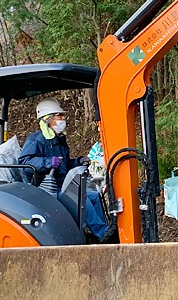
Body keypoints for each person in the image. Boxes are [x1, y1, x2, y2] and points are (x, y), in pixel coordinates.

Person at [18, 98, 112, 242]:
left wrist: (78, 161)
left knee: (93, 195)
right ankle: (102, 233)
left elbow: (65, 165)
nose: (63, 119)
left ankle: (102, 230)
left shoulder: (59, 140)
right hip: (45, 188)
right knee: (80, 198)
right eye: (59, 116)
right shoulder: (36, 140)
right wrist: (48, 162)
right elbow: (24, 162)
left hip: (61, 184)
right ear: (48, 119)